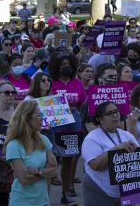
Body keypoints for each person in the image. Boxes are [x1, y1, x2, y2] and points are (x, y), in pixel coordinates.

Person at [82, 101, 139, 206]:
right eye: (110, 113)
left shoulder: (127, 136)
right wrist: (116, 149)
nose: (115, 115)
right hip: (99, 189)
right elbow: (95, 165)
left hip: (124, 190)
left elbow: (138, 165)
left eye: (116, 111)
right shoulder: (92, 138)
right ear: (100, 119)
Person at [49, 52, 86, 205]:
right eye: (63, 65)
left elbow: (82, 102)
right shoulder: (51, 82)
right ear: (57, 67)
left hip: (73, 126)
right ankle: (44, 196)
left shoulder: (77, 83)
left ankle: (65, 194)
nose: (66, 67)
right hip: (54, 126)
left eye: (69, 64)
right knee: (51, 160)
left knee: (68, 160)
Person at [4, 100, 58, 206]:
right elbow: (24, 179)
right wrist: (45, 172)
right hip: (22, 202)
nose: (42, 118)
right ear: (26, 118)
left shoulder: (44, 140)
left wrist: (38, 172)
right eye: (38, 115)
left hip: (43, 201)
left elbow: (54, 172)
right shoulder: (14, 145)